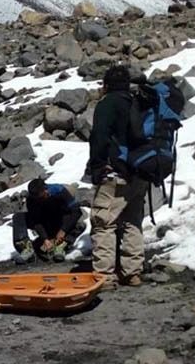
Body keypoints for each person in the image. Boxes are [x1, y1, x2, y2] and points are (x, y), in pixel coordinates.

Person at [88, 64, 150, 288]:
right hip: (141, 172)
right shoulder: (137, 101)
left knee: (103, 222)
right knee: (132, 221)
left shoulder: (108, 104)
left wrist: (97, 167)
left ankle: (104, 276)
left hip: (115, 172)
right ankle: (132, 272)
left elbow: (99, 136)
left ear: (106, 85)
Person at [12, 179, 83, 264]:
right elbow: (36, 221)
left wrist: (63, 230)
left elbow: (76, 211)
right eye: (36, 198)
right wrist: (45, 239)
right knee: (18, 217)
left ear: (45, 189)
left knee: (73, 219)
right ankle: (26, 249)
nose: (39, 199)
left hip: (61, 220)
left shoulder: (59, 190)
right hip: (45, 222)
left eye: (41, 196)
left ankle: (60, 245)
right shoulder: (31, 199)